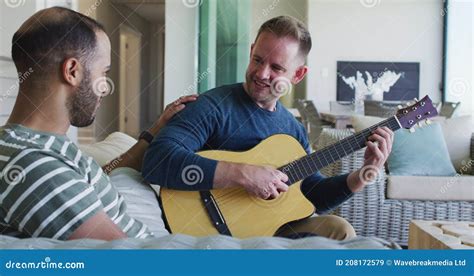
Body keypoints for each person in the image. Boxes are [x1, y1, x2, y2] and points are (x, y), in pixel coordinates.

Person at [142, 16, 394, 240]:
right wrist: (243, 174)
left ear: (298, 75)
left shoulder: (292, 129)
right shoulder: (213, 105)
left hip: (266, 230)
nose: (262, 73)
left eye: (276, 68)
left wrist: (364, 173)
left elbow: (311, 194)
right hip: (206, 227)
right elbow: (157, 159)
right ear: (251, 51)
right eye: (257, 60)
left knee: (339, 228)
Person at [0, 7, 196, 241]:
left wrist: (152, 134)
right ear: (72, 71)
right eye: (103, 72)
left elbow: (87, 185)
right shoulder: (33, 166)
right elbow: (129, 259)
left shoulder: (34, 148)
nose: (105, 87)